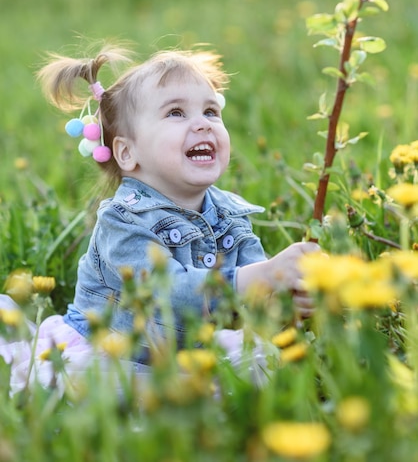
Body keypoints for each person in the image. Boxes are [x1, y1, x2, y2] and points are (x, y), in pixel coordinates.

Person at [2, 44, 318, 390]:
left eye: (211, 112)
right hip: (109, 355)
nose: (202, 125)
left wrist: (285, 299)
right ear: (127, 151)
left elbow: (252, 297)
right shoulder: (121, 222)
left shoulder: (230, 215)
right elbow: (167, 291)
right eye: (176, 113)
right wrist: (262, 275)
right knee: (105, 392)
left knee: (266, 361)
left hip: (183, 356)